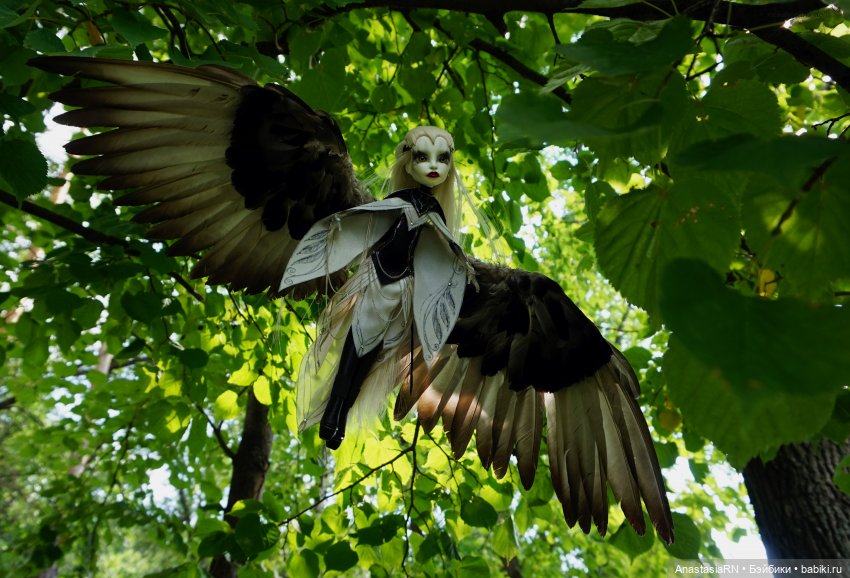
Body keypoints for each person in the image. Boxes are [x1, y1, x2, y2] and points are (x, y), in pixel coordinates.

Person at [280, 125, 472, 449]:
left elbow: (441, 253)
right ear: (408, 163)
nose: (433, 166)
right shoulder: (399, 201)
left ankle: (340, 416)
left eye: (443, 159)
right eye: (423, 157)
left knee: (372, 358)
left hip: (402, 292)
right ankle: (332, 414)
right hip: (375, 279)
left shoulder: (435, 215)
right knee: (353, 350)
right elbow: (370, 220)